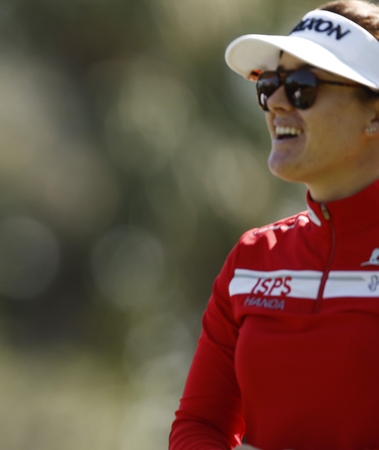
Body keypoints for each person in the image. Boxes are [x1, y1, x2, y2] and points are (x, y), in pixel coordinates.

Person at [170, 1, 379, 449]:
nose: (277, 103)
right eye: (270, 85)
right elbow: (199, 424)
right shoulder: (252, 260)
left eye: (304, 87)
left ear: (375, 113)